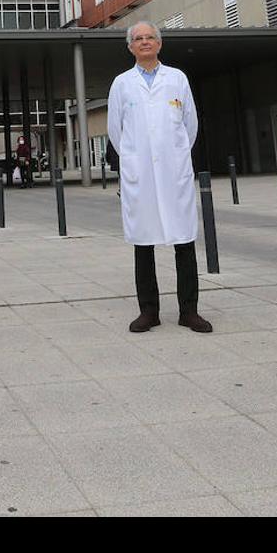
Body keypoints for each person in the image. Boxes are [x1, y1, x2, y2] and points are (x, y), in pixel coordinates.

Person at [107, 22, 212, 334]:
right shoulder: (122, 84)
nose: (144, 42)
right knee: (143, 241)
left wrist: (175, 154)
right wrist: (134, 159)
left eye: (149, 37)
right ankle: (148, 311)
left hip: (173, 171)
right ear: (130, 47)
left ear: (159, 43)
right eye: (137, 39)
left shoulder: (176, 78)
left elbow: (189, 125)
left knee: (184, 240)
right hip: (140, 173)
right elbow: (116, 131)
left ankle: (189, 311)